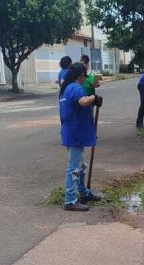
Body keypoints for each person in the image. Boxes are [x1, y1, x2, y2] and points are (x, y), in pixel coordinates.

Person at [59, 62, 102, 212]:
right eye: (85, 75)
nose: (85, 78)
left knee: (80, 165)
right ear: (80, 75)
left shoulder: (67, 88)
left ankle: (83, 192)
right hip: (75, 132)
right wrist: (93, 98)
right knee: (74, 167)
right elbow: (83, 101)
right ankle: (70, 200)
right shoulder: (75, 88)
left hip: (72, 131)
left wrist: (92, 95)